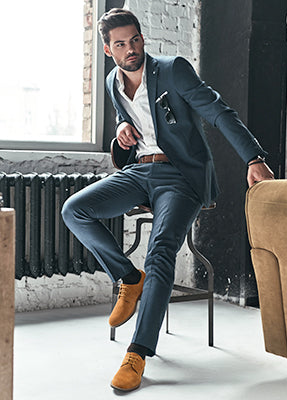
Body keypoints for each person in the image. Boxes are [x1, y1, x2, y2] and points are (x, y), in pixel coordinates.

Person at [62, 8, 274, 392]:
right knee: (75, 209)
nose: (131, 50)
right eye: (121, 44)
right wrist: (121, 129)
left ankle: (138, 352)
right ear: (109, 51)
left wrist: (254, 158)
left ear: (143, 38)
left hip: (180, 176)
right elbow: (130, 121)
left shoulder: (173, 69)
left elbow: (220, 113)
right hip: (139, 172)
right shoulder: (112, 81)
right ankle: (128, 277)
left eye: (135, 40)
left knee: (161, 250)